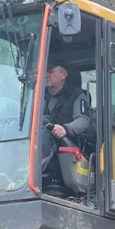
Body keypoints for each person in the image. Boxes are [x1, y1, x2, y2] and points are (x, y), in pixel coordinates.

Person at [39, 62, 94, 196]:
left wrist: (65, 129)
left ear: (63, 75)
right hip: (45, 138)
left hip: (65, 144)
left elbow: (83, 120)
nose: (46, 74)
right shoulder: (40, 96)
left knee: (42, 134)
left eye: (51, 71)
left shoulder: (77, 96)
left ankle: (34, 171)